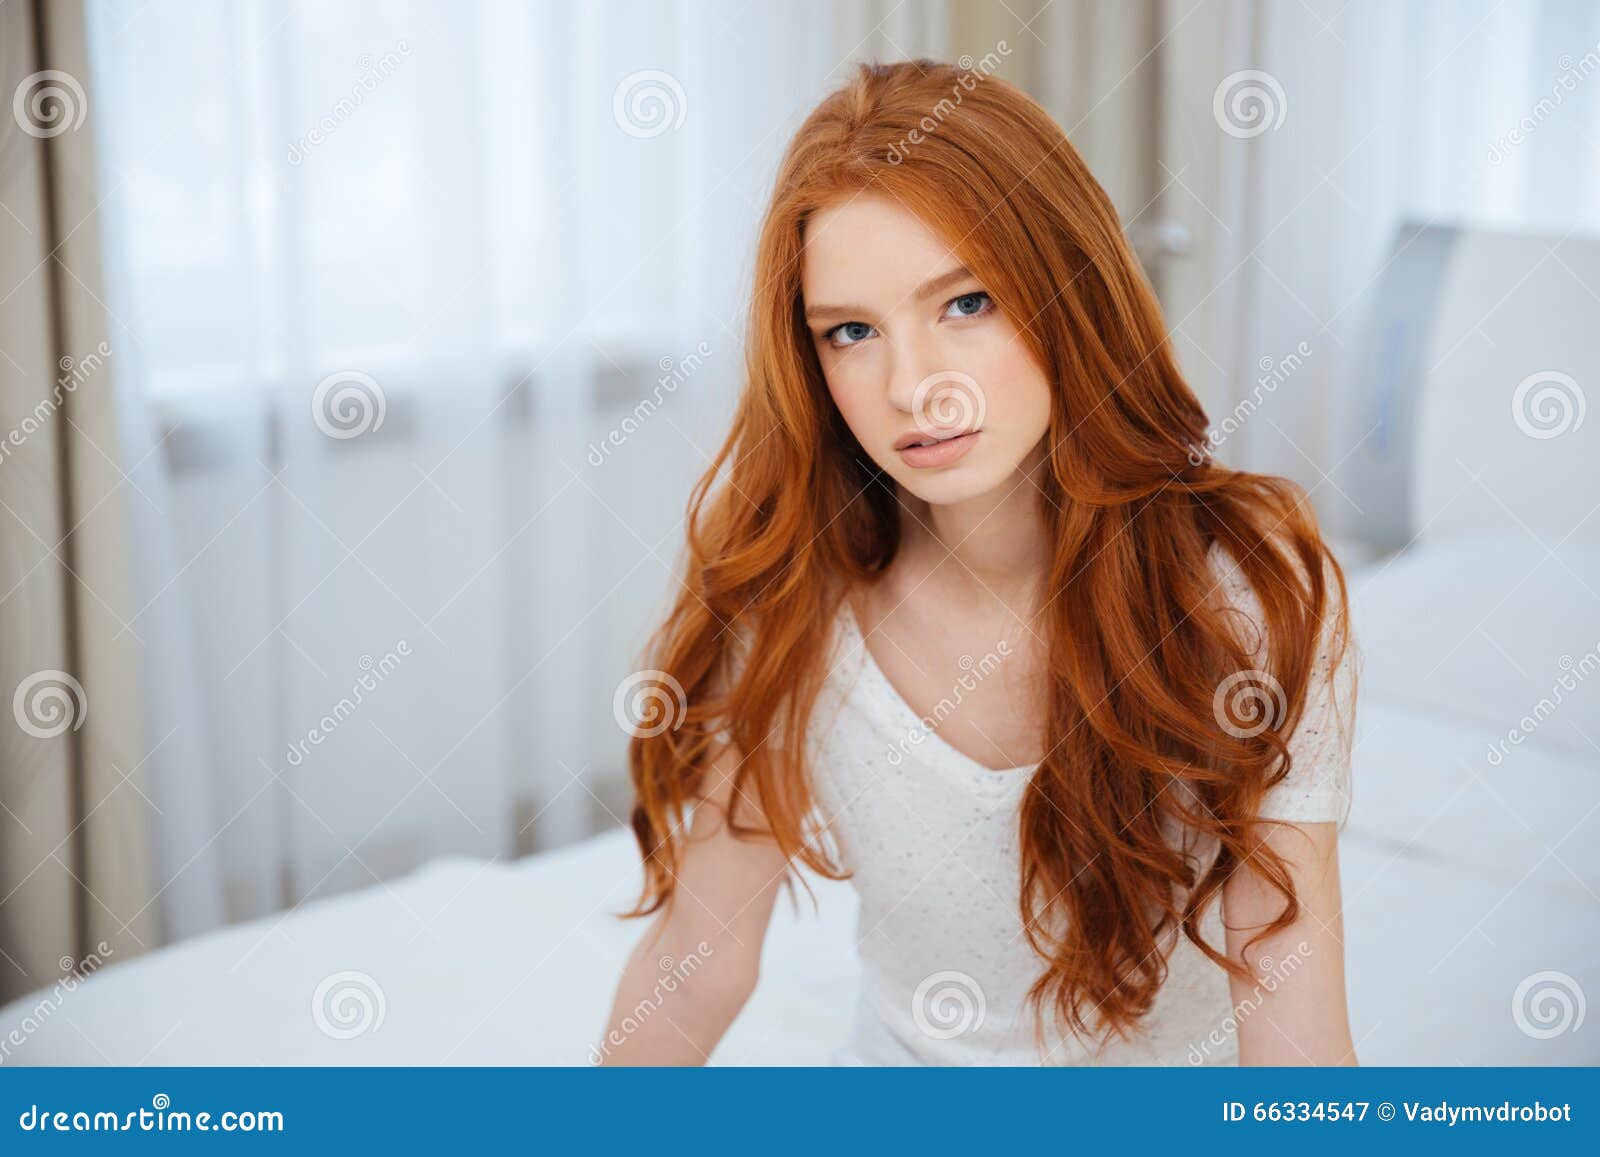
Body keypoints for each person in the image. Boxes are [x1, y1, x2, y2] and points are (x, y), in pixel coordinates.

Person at [597, 57, 1360, 1067]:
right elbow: (697, 955)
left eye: (965, 304)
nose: (914, 387)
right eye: (852, 332)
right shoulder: (792, 601)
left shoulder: (1249, 592)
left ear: (1066, 291)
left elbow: (1295, 1036)